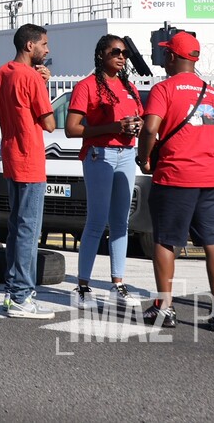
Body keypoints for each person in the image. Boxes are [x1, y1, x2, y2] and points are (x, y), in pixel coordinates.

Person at [137, 32, 214, 331]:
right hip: (211, 177)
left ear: (171, 56)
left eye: (165, 53)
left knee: (166, 240)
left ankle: (165, 307)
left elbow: (150, 128)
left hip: (175, 176)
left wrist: (144, 158)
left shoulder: (164, 89)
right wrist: (204, 148)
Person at [65, 34, 144, 309]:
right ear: (101, 55)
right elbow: (72, 128)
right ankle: (82, 287)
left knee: (121, 222)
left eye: (124, 53)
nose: (121, 57)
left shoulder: (129, 87)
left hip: (127, 154)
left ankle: (118, 285)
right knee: (97, 221)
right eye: (115, 52)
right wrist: (113, 128)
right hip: (100, 154)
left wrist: (136, 126)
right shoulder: (86, 86)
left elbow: (140, 118)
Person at [0, 23, 57, 320]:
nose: (47, 49)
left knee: (17, 227)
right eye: (44, 44)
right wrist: (43, 84)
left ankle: (12, 293)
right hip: (30, 158)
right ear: (29, 46)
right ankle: (21, 296)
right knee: (29, 230)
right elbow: (49, 124)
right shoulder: (31, 77)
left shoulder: (2, 72)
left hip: (11, 155)